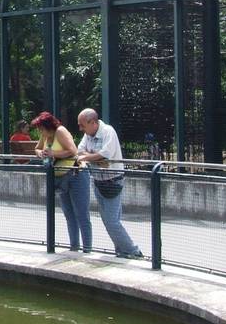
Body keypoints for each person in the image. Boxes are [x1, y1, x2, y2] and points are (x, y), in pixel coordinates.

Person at [75, 108, 144, 260]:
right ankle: (121, 252)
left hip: (113, 181)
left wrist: (90, 157)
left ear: (92, 122)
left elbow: (105, 154)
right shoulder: (88, 135)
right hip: (98, 182)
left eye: (82, 125)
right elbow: (79, 152)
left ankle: (133, 251)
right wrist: (97, 159)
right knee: (109, 221)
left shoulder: (108, 131)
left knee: (111, 221)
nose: (80, 128)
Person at [31, 111, 92, 252]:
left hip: (76, 175)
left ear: (48, 126)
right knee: (69, 214)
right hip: (59, 178)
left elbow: (73, 151)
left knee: (81, 214)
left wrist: (53, 153)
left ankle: (87, 249)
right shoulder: (45, 135)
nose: (40, 132)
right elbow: (37, 148)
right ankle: (74, 247)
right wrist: (40, 153)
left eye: (41, 129)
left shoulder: (60, 131)